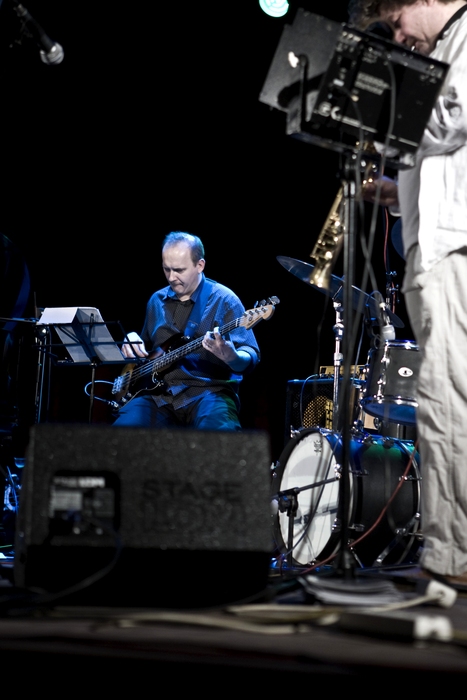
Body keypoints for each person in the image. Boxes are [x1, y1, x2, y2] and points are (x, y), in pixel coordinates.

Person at [348, 0, 467, 585]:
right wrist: (401, 193)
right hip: (435, 248)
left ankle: (453, 560)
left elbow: (454, 114)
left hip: (453, 249)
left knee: (448, 401)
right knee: (445, 400)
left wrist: (380, 107)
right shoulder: (444, 47)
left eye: (397, 25)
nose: (401, 40)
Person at [112, 231, 260, 431]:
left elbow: (250, 356)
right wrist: (131, 339)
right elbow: (145, 353)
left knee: (220, 439)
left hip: (209, 392)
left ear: (200, 265)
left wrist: (232, 356)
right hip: (158, 395)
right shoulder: (156, 300)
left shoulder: (225, 300)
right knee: (120, 435)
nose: (171, 277)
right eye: (166, 269)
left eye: (179, 270)